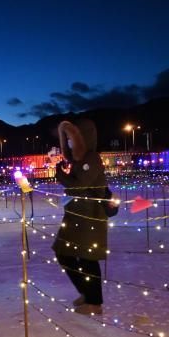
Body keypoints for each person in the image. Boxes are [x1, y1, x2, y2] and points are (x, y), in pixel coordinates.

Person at [52, 119, 108, 315]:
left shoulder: (92, 159)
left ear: (82, 139)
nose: (68, 143)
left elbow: (78, 185)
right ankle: (86, 292)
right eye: (66, 139)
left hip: (89, 217)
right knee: (63, 251)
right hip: (76, 215)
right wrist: (63, 172)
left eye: (71, 138)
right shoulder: (79, 161)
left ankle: (94, 302)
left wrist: (60, 174)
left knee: (87, 258)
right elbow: (76, 185)